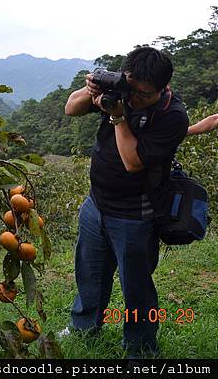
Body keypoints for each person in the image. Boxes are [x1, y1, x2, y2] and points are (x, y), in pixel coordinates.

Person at [61, 46, 189, 358]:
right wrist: (90, 88)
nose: (135, 99)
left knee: (137, 288)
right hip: (96, 205)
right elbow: (71, 109)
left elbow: (133, 162)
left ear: (163, 88)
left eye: (144, 95)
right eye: (131, 90)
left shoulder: (173, 116)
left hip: (136, 214)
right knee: (90, 274)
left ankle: (141, 349)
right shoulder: (124, 90)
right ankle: (84, 327)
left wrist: (118, 117)